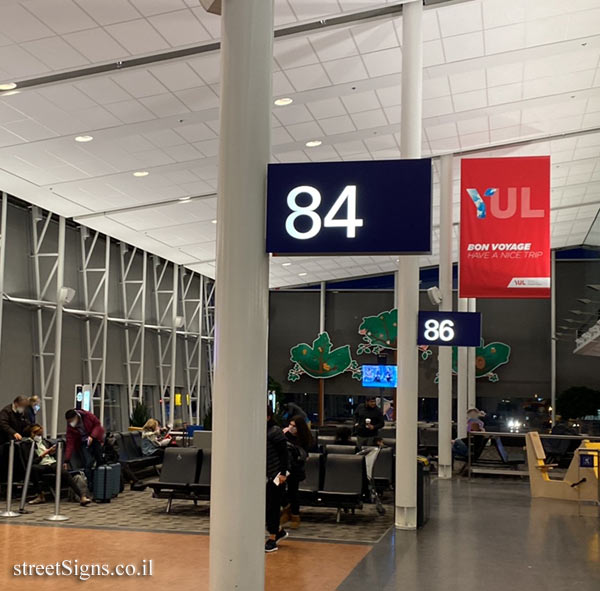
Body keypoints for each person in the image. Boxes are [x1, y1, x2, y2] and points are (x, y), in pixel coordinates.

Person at [26, 424, 92, 506]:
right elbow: (32, 461)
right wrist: (44, 454)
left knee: (65, 473)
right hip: (40, 465)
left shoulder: (44, 442)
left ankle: (81, 496)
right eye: (38, 435)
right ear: (32, 433)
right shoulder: (28, 444)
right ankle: (40, 495)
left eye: (41, 435)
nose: (39, 437)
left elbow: (51, 456)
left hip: (51, 462)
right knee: (33, 468)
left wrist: (51, 453)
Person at [280, 415, 312, 529]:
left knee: (293, 492)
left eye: (294, 426)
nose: (291, 427)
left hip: (295, 469)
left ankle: (295, 515)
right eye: (291, 425)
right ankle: (286, 508)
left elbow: (304, 454)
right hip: (284, 467)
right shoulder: (285, 435)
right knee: (277, 488)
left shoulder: (304, 438)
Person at [265, 406, 289, 553]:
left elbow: (284, 454)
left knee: (271, 507)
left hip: (276, 475)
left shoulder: (274, 431)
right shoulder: (261, 431)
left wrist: (283, 473)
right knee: (267, 507)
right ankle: (277, 531)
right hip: (266, 475)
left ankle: (273, 538)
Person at [64, 409, 105, 485]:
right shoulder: (70, 427)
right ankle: (90, 483)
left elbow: (97, 425)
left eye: (72, 420)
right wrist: (66, 460)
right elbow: (70, 442)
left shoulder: (87, 415)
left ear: (76, 417)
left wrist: (92, 436)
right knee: (88, 462)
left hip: (94, 439)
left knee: (99, 458)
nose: (71, 423)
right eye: (69, 421)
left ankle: (101, 479)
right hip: (82, 443)